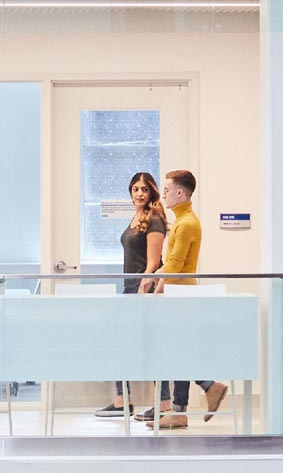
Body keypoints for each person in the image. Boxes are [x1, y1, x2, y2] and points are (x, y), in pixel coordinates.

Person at [139, 170, 228, 430]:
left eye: (167, 190)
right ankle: (184, 407)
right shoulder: (182, 220)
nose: (163, 194)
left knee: (175, 351)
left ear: (180, 192)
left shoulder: (187, 222)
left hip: (180, 295)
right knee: (177, 351)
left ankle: (208, 387)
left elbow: (176, 265)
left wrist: (153, 283)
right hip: (178, 293)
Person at [95, 172, 172, 419]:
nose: (139, 193)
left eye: (144, 189)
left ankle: (163, 403)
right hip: (130, 288)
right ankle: (122, 400)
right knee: (121, 344)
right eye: (136, 189)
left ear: (152, 192)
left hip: (143, 290)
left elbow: (153, 264)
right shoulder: (136, 217)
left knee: (149, 348)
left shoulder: (155, 220)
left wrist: (143, 290)